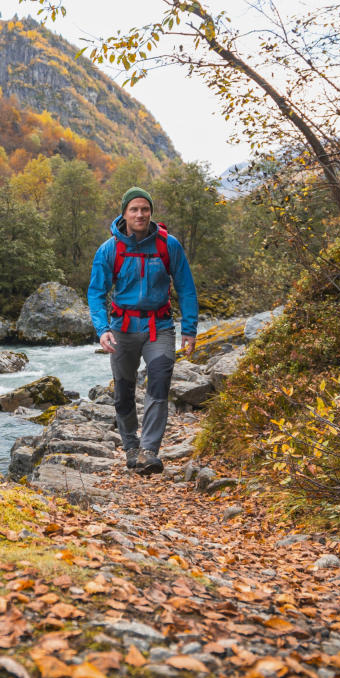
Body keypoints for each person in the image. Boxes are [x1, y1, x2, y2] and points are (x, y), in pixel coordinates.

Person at [87, 187, 198, 475]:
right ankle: (131, 447)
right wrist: (102, 329)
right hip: (122, 329)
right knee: (123, 392)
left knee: (158, 385)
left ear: (151, 212)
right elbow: (96, 293)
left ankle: (149, 451)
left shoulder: (168, 245)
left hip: (159, 326)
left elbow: (186, 287)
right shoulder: (109, 250)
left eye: (145, 209)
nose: (140, 214)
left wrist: (189, 329)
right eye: (134, 209)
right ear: (124, 213)